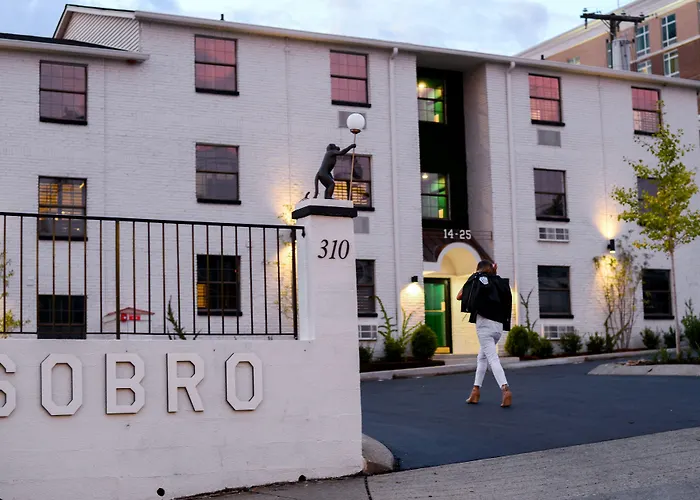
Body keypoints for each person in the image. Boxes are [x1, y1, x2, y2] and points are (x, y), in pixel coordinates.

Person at [456, 260, 513, 408]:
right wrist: (494, 273)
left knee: (492, 358)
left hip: (484, 326)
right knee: (482, 357)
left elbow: (459, 296)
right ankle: (475, 391)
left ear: (479, 269)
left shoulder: (477, 279)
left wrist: (473, 277)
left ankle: (505, 389)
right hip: (498, 326)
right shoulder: (500, 282)